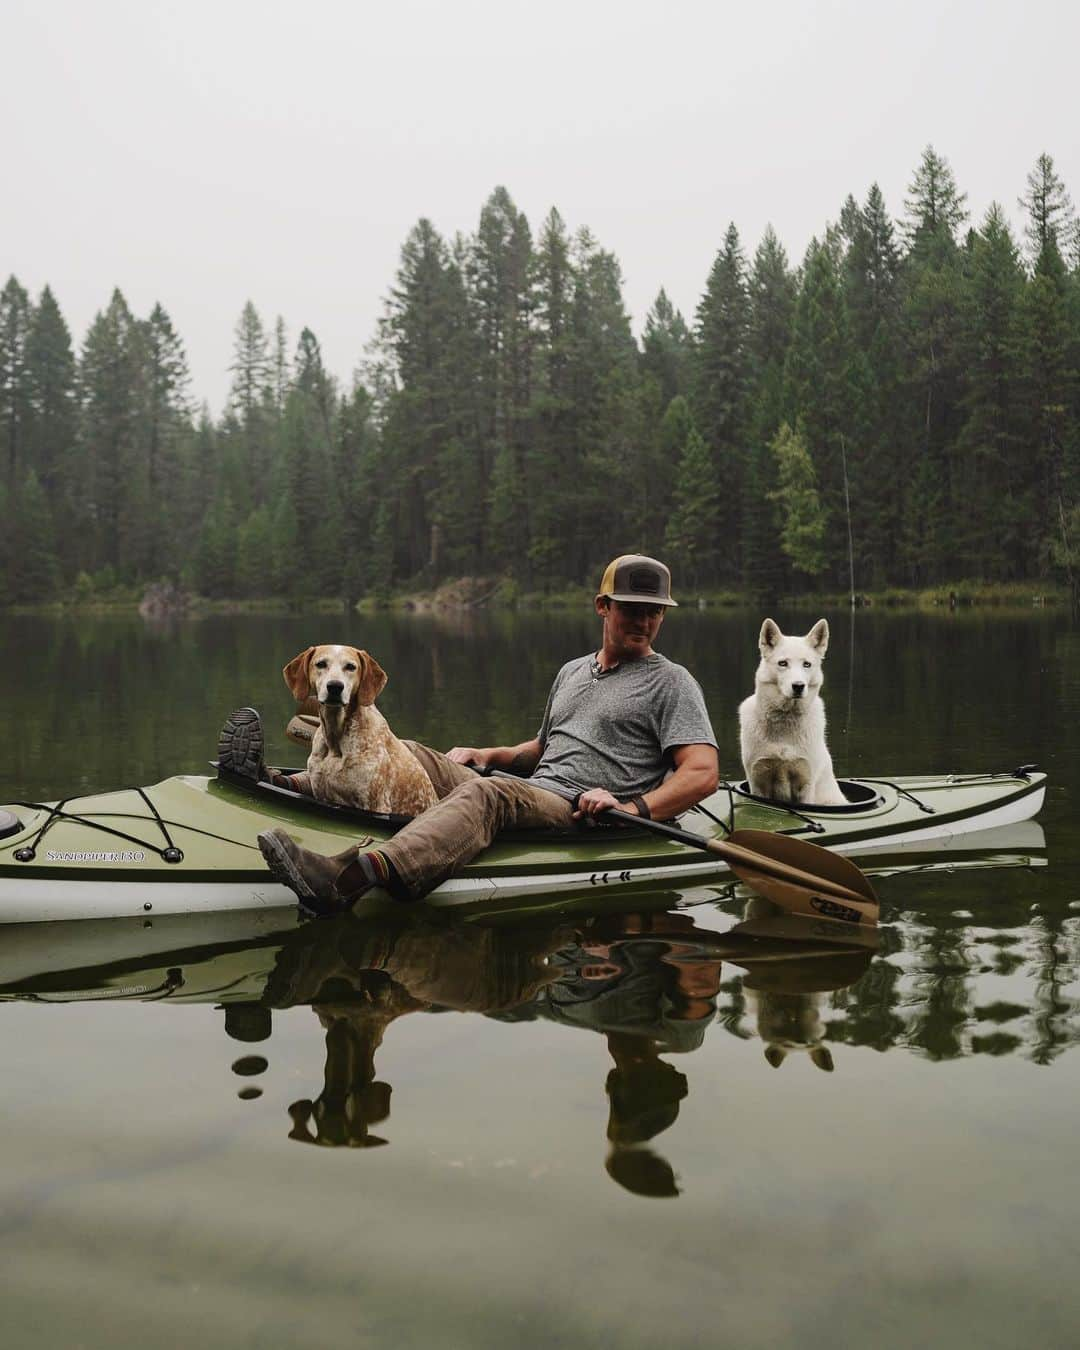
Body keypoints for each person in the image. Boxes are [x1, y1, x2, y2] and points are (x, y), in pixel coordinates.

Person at [238, 554, 719, 914]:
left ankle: (352, 878)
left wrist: (630, 807)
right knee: (411, 752)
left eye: (654, 611)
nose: (644, 620)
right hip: (532, 787)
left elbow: (702, 774)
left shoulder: (672, 682)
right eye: (632, 608)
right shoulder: (574, 671)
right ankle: (293, 783)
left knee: (489, 795)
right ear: (602, 606)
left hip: (580, 810)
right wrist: (488, 752)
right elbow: (543, 749)